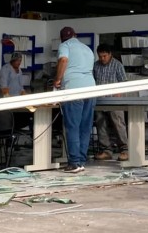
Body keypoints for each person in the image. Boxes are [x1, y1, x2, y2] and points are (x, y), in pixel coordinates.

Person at [54, 26, 96, 173]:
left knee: (73, 126)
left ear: (61, 38)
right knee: (85, 127)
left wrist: (57, 80)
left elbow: (64, 60)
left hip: (73, 89)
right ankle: (81, 161)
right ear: (75, 35)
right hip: (90, 89)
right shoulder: (87, 48)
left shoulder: (64, 46)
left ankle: (74, 163)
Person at [92, 44, 129, 161]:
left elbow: (124, 82)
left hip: (114, 100)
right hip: (100, 100)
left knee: (118, 125)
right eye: (100, 56)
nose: (102, 59)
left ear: (110, 54)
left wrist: (118, 93)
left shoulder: (117, 65)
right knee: (101, 125)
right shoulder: (95, 66)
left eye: (104, 56)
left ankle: (124, 150)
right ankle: (106, 150)